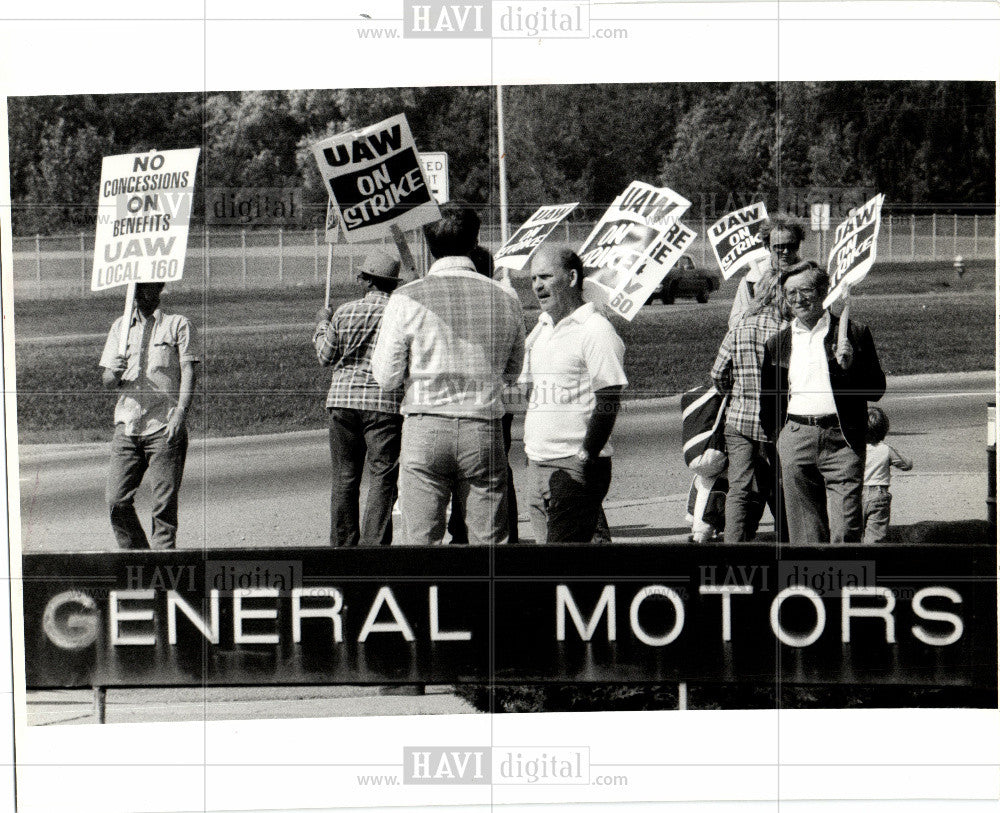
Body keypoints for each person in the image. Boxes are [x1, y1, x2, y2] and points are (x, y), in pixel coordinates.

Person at [371, 203, 525, 545]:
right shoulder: (505, 297)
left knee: (421, 542)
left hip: (425, 424)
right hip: (482, 424)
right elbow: (514, 371)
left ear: (427, 243)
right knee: (489, 544)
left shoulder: (407, 296)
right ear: (474, 242)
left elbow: (386, 377)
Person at [760, 260, 886, 545]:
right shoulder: (777, 344)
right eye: (790, 293)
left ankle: (844, 586)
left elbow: (876, 388)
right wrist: (779, 440)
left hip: (843, 440)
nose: (798, 299)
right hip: (795, 438)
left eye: (805, 290)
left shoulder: (853, 332)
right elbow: (768, 402)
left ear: (824, 291)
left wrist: (851, 365)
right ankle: (813, 586)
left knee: (846, 530)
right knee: (805, 535)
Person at [520, 246, 628, 543]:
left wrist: (586, 454)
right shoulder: (541, 329)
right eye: (533, 279)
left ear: (571, 277)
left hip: (574, 466)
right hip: (538, 464)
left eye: (545, 277)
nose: (537, 286)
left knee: (562, 563)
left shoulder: (596, 330)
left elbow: (609, 399)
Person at [313, 248, 403, 546]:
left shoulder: (345, 311)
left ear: (367, 281)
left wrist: (322, 325)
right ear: (393, 283)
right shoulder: (400, 312)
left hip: (342, 400)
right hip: (384, 402)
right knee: (382, 476)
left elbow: (326, 357)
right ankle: (373, 546)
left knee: (344, 477)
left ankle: (343, 544)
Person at [99, 282, 198, 549]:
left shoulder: (178, 324)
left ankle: (162, 567)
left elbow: (189, 371)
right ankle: (138, 559)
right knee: (116, 501)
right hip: (128, 426)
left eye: (145, 286)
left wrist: (181, 412)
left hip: (164, 426)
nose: (138, 291)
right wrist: (114, 372)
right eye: (134, 286)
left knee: (163, 506)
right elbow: (107, 380)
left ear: (159, 286)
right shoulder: (120, 328)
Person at [446, 245, 520, 545]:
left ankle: (465, 530)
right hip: (499, 395)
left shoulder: (464, 300)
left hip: (471, 399)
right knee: (497, 470)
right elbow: (516, 360)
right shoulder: (503, 298)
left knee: (468, 473)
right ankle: (501, 530)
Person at [711, 277, 788, 542]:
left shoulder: (740, 326)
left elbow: (718, 372)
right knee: (783, 486)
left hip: (740, 419)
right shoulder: (787, 330)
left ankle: (733, 545)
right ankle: (787, 540)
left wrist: (733, 392)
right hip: (777, 421)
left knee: (739, 488)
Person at [728, 217, 804, 330]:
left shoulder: (809, 275)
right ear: (767, 246)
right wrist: (757, 303)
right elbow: (734, 323)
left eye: (792, 246)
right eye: (779, 247)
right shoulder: (752, 280)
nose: (786, 252)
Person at [862, 405, 913, 543]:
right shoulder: (885, 449)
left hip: (855, 493)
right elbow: (907, 464)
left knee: (853, 533)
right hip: (878, 495)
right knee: (875, 537)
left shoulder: (854, 448)